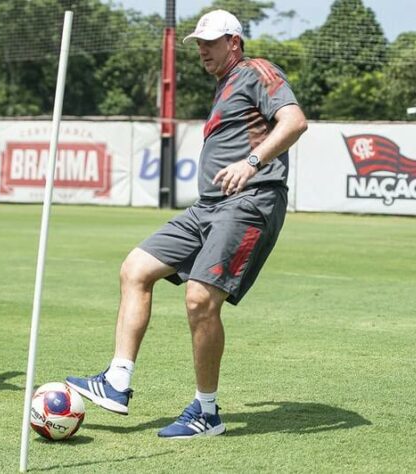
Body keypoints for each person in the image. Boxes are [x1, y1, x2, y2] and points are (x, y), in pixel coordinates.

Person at [66, 9, 307, 438]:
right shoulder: (224, 86)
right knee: (136, 268)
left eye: (210, 43)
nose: (201, 50)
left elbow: (295, 121)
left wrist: (251, 163)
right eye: (198, 43)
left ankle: (207, 412)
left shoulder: (258, 71)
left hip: (249, 202)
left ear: (234, 41)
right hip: (207, 207)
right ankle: (117, 381)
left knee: (199, 299)